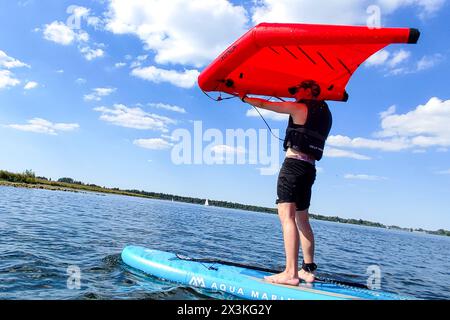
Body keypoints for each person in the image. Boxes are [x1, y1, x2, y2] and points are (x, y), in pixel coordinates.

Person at [241, 80, 332, 286]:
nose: (293, 94)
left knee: (287, 217)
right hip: (309, 170)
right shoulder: (325, 113)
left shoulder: (301, 107)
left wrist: (245, 97)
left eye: (296, 89)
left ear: (309, 90)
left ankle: (290, 273)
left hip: (293, 167)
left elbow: (265, 105)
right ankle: (307, 270)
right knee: (302, 219)